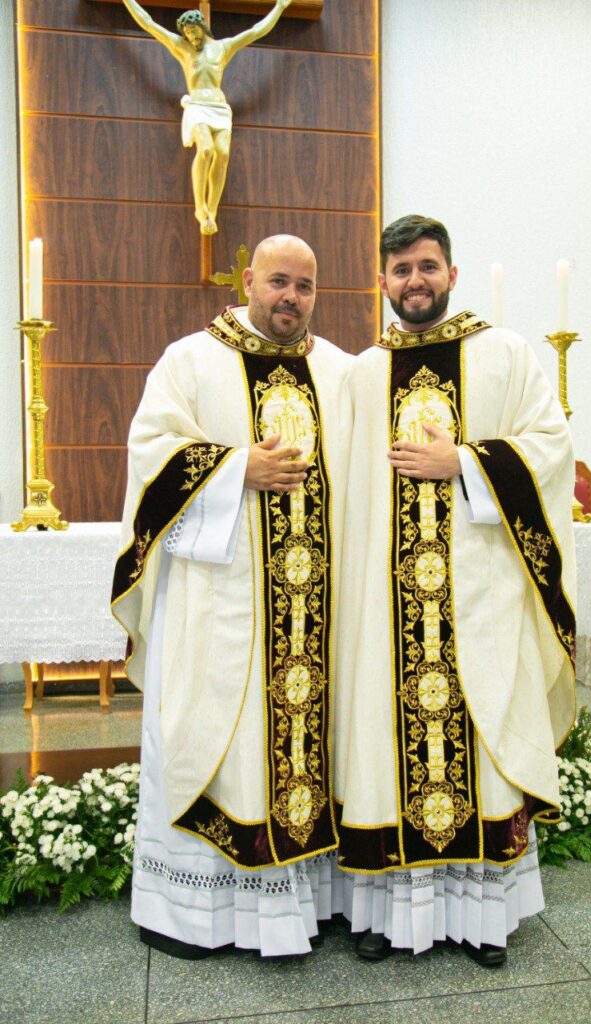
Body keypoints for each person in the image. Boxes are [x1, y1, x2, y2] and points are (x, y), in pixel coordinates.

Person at [334, 215, 577, 967]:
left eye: (428, 266)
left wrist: (465, 464)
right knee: (384, 748)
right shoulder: (361, 374)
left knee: (479, 743)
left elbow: (551, 447)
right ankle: (385, 914)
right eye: (401, 268)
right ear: (382, 280)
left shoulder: (504, 354)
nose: (416, 280)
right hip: (385, 608)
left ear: (452, 274)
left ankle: (482, 921)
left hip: (479, 600)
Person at [111, 234, 352, 958]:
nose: (291, 298)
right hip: (220, 610)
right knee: (220, 746)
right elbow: (150, 452)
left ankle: (308, 905)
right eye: (278, 281)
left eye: (304, 286)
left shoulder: (339, 371)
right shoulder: (190, 360)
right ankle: (198, 915)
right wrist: (235, 468)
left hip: (316, 619)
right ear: (248, 281)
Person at [121, 0, 292, 234]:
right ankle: (200, 208)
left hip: (219, 108)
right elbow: (148, 23)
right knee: (206, 150)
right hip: (197, 106)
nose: (191, 37)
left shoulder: (223, 48)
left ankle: (212, 211)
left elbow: (256, 31)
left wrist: (280, 7)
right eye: (187, 33)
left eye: (193, 31)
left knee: (222, 153)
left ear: (202, 27)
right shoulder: (182, 48)